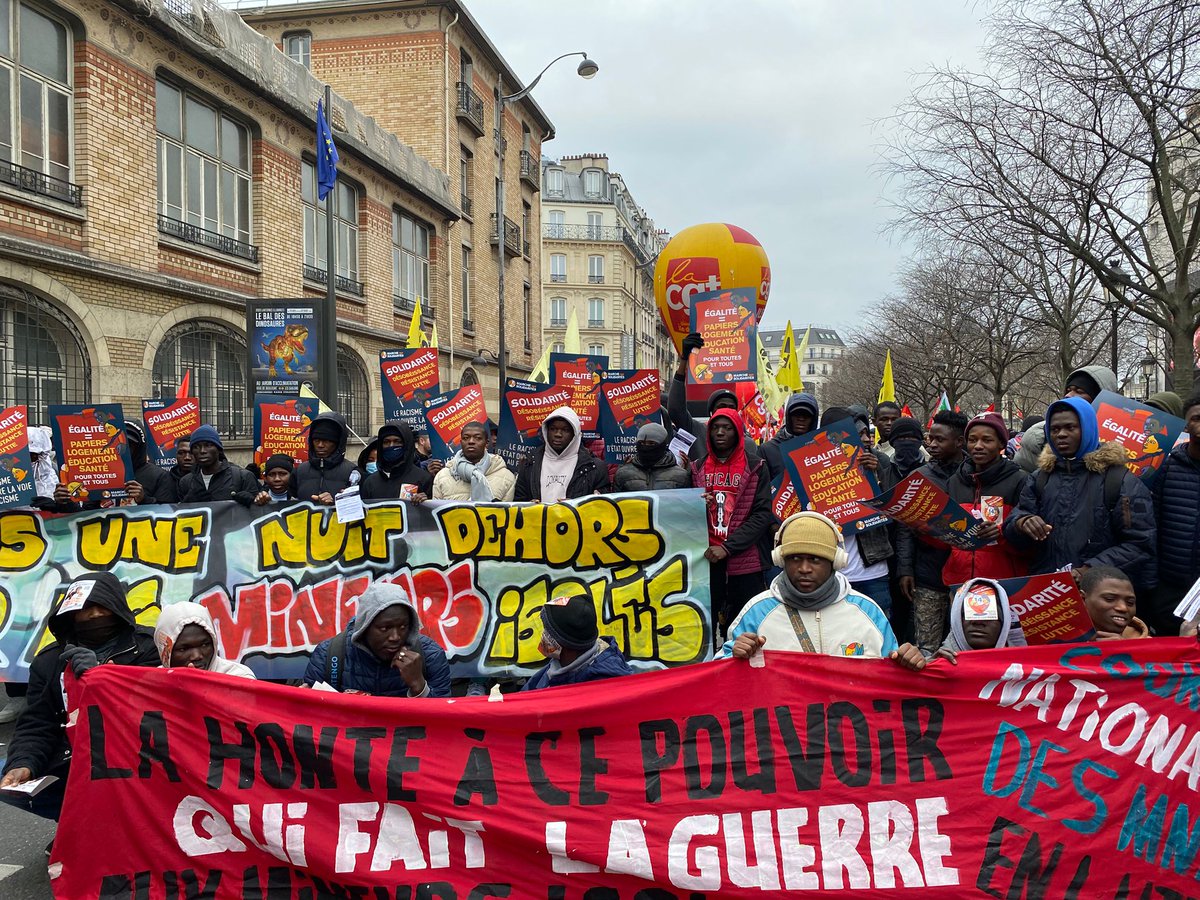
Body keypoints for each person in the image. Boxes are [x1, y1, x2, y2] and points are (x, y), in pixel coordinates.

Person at [0, 573, 159, 826]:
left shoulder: (150, 647)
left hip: (136, 752)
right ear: (71, 614)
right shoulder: (49, 661)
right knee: (8, 776)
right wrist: (23, 763)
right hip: (73, 756)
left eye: (102, 606)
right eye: (86, 609)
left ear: (116, 607)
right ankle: (77, 826)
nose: (95, 615)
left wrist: (102, 675)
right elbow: (37, 724)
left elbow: (158, 707)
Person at [1004, 397, 1155, 587]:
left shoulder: (1120, 481)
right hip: (1048, 590)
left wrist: (1090, 571)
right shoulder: (1040, 477)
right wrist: (1022, 522)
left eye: (1070, 427)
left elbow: (1139, 544)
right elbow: (1016, 527)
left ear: (1088, 428)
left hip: (1098, 593)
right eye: (1055, 429)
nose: (1061, 434)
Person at [723, 512, 897, 659]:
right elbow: (718, 675)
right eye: (795, 558)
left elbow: (892, 671)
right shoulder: (756, 612)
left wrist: (906, 663)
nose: (804, 569)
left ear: (835, 562)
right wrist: (734, 656)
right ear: (780, 560)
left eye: (815, 560)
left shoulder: (867, 612)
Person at [691, 408, 773, 632]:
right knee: (704, 626)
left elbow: (762, 514)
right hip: (705, 560)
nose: (720, 432)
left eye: (727, 428)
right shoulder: (697, 467)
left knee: (744, 626)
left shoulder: (756, 466)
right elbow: (685, 514)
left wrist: (728, 548)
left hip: (745, 562)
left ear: (737, 432)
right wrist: (696, 505)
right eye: (715, 428)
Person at [897, 410, 967, 656]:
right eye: (931, 438)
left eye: (940, 439)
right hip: (927, 573)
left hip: (965, 576)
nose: (932, 444)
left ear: (959, 442)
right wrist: (905, 569)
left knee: (962, 646)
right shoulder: (918, 477)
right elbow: (905, 529)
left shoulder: (973, 476)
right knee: (926, 645)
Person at [303, 582, 450, 697]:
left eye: (403, 626)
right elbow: (307, 718)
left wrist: (419, 685)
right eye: (384, 628)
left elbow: (444, 722)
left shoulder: (431, 656)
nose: (395, 637)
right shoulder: (329, 655)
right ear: (364, 627)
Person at [820, 407, 899, 615]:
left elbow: (894, 511)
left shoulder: (880, 462)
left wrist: (877, 477)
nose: (866, 439)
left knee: (878, 634)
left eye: (867, 433)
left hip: (873, 573)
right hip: (831, 573)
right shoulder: (815, 471)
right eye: (859, 434)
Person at [942, 412, 1029, 584]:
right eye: (973, 440)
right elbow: (946, 539)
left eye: (987, 440)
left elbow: (1029, 543)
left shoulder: (1020, 480)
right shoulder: (954, 482)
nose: (978, 446)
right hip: (960, 584)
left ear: (1001, 444)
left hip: (1004, 585)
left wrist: (1001, 533)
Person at [1149, 391, 1200, 635]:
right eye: (1197, 418)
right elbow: (1153, 523)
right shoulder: (1167, 467)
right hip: (1170, 586)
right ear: (1186, 423)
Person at [890, 577, 1023, 670]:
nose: (979, 621)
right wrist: (919, 667)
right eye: (969, 613)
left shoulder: (1028, 671)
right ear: (956, 621)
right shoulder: (935, 663)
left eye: (990, 614)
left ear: (1004, 623)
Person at [1013, 365, 1118, 473]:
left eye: (1079, 391)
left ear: (1099, 398)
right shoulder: (1038, 435)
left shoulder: (1124, 435)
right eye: (1068, 390)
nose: (1068, 395)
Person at [522, 596, 632, 691]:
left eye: (548, 632)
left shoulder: (603, 686)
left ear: (564, 644)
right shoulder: (558, 665)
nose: (543, 636)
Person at [668, 331, 741, 460]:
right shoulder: (697, 430)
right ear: (711, 411)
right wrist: (684, 359)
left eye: (731, 407)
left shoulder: (748, 443)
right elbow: (675, 409)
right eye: (721, 406)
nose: (726, 410)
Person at [514, 407, 609, 502]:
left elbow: (603, 508)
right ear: (546, 431)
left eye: (565, 430)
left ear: (575, 434)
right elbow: (518, 502)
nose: (558, 434)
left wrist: (576, 506)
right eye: (553, 429)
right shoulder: (529, 463)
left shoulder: (594, 467)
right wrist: (528, 508)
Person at [154, 602, 256, 678]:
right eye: (183, 649)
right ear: (165, 653)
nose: (197, 656)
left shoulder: (239, 677)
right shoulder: (154, 683)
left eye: (204, 645)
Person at [433, 421, 516, 501]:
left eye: (478, 438)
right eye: (466, 438)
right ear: (461, 442)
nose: (471, 441)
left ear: (487, 443)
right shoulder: (442, 476)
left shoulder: (506, 478)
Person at [178, 425, 260, 505]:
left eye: (208, 445)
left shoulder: (243, 477)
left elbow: (259, 512)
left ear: (219, 449)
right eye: (196, 447)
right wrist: (188, 502)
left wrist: (252, 501)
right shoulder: (186, 482)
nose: (202, 451)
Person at [292, 411, 359, 505]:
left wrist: (334, 503)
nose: (320, 445)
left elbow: (360, 511)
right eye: (316, 440)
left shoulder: (353, 473)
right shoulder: (299, 471)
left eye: (326, 441)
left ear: (337, 443)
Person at [360, 421, 435, 501]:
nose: (391, 445)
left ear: (406, 444)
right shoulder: (370, 482)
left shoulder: (423, 478)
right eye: (386, 442)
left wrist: (426, 501)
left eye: (397, 441)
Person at [612, 422, 691, 492]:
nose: (645, 447)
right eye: (641, 443)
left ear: (662, 445)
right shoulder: (623, 474)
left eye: (651, 443)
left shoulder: (680, 476)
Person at [1081, 566, 1148, 640]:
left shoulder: (1149, 646)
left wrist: (1125, 649)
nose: (1123, 608)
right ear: (1083, 600)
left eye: (1130, 602)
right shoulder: (1066, 642)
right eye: (1110, 599)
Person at [762, 393, 819, 479]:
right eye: (796, 414)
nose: (801, 418)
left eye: (807, 415)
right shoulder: (768, 450)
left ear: (813, 419)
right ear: (789, 417)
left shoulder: (824, 450)